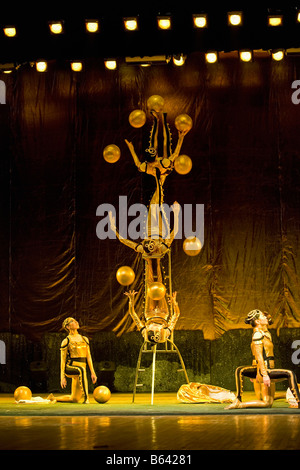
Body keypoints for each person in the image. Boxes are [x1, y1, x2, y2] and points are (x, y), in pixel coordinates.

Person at [226, 309, 300, 409]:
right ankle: (299, 402)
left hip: (268, 368)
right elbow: (259, 356)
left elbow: (268, 322)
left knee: (268, 402)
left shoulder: (265, 334)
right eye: (262, 316)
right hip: (265, 369)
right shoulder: (257, 334)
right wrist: (263, 374)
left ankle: (240, 404)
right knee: (290, 374)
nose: (266, 318)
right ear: (257, 321)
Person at [48, 317, 97, 403]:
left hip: (81, 369)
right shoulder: (66, 341)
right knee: (81, 370)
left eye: (75, 320)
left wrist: (93, 373)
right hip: (70, 367)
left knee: (74, 399)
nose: (76, 322)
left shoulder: (84, 339)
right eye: (72, 321)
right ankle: (86, 398)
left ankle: (52, 398)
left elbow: (88, 357)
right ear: (67, 327)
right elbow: (62, 360)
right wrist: (62, 377)